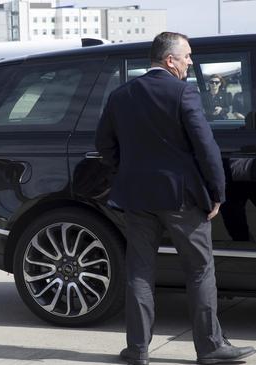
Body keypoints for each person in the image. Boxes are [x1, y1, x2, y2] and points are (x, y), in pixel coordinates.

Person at [95, 31, 255, 365]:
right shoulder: (184, 93)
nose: (190, 62)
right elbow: (206, 147)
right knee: (200, 270)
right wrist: (218, 193)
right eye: (187, 57)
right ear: (170, 60)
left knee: (139, 271)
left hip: (137, 198)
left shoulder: (121, 95)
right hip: (183, 198)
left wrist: (125, 173)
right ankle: (210, 347)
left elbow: (104, 145)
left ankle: (137, 350)